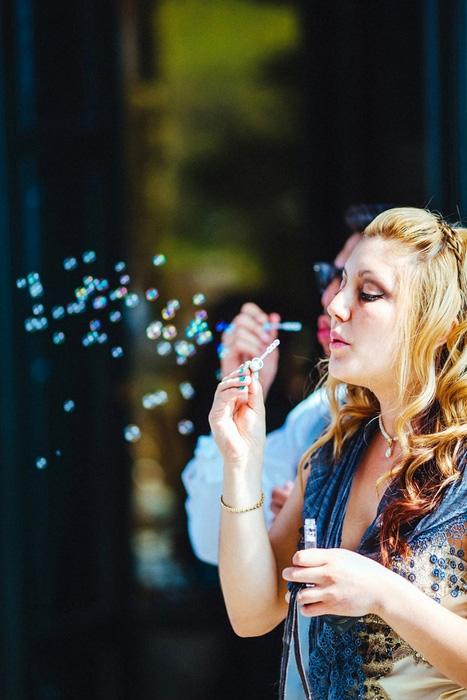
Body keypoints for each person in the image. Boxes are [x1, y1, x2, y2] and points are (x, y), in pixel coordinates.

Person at [209, 207, 467, 698]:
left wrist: (384, 593)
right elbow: (252, 613)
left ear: (438, 326)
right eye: (341, 284)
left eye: (368, 293)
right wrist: (241, 462)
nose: (336, 307)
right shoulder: (331, 457)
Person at [182, 204, 389, 566]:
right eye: (331, 278)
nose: (331, 301)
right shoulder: (318, 417)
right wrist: (243, 399)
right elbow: (210, 542)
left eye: (366, 289)